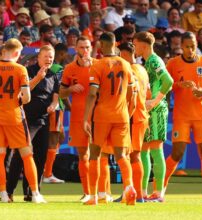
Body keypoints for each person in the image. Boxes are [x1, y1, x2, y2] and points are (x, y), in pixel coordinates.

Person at [0, 39, 46, 203]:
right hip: (15, 116)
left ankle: (4, 194)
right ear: (17, 53)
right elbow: (26, 98)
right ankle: (35, 194)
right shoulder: (20, 69)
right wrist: (16, 97)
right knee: (27, 154)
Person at [164, 31, 202, 203]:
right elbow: (164, 85)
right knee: (177, 152)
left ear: (197, 45)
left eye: (193, 46)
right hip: (182, 115)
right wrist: (178, 84)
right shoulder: (173, 64)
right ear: (181, 47)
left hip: (200, 115)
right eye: (187, 47)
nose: (190, 50)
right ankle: (160, 189)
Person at [83, 32, 136, 205]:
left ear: (102, 45)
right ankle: (129, 187)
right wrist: (127, 111)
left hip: (102, 116)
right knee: (121, 155)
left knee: (95, 154)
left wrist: (86, 118)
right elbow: (131, 92)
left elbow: (92, 94)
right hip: (121, 116)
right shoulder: (125, 64)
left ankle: (93, 196)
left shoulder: (98, 65)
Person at [6, 45, 59, 202]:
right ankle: (8, 192)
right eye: (46, 56)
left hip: (43, 120)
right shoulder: (27, 71)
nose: (48, 59)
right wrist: (38, 77)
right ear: (38, 58)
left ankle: (32, 192)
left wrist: (54, 105)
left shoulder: (53, 75)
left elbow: (55, 96)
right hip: (26, 119)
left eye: (51, 57)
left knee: (40, 157)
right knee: (21, 156)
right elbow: (23, 91)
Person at [133, 31, 173, 202]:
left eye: (135, 44)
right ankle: (143, 191)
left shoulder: (155, 60)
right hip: (149, 110)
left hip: (156, 109)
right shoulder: (147, 61)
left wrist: (154, 101)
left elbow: (168, 81)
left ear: (143, 44)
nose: (134, 47)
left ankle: (158, 193)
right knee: (144, 150)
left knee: (155, 149)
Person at [59, 36, 97, 202]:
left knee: (100, 154)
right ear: (76, 49)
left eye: (87, 47)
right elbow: (61, 93)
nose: (85, 50)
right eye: (82, 47)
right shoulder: (69, 69)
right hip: (78, 116)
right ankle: (87, 192)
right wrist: (71, 89)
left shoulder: (98, 66)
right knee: (83, 154)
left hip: (97, 116)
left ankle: (102, 192)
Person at [119, 42, 150, 203]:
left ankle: (135, 193)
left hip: (132, 116)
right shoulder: (142, 69)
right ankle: (133, 192)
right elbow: (149, 93)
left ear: (124, 54)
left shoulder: (129, 70)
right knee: (133, 155)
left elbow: (129, 95)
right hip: (141, 115)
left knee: (132, 156)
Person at [43, 43, 70, 184]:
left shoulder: (46, 68)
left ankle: (47, 170)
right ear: (62, 54)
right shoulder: (58, 69)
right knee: (54, 139)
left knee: (59, 137)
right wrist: (70, 106)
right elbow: (60, 90)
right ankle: (47, 174)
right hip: (55, 107)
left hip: (50, 107)